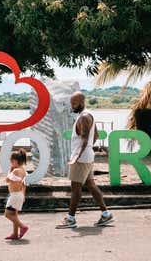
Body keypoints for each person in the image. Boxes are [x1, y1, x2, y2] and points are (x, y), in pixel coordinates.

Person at [56, 91, 113, 229]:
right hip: (87, 156)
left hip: (81, 158)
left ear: (81, 102)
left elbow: (85, 138)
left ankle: (71, 219)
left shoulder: (84, 117)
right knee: (91, 186)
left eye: (74, 103)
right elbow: (96, 135)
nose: (72, 106)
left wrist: (78, 155)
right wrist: (88, 149)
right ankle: (106, 214)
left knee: (75, 189)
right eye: (71, 103)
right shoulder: (88, 115)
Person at [4, 149, 29, 240]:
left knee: (7, 214)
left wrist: (10, 172)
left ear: (14, 161)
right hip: (19, 195)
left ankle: (22, 227)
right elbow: (24, 184)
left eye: (11, 162)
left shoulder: (15, 171)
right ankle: (15, 234)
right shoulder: (23, 170)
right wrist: (24, 196)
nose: (11, 164)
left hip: (14, 195)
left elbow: (7, 180)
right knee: (14, 215)